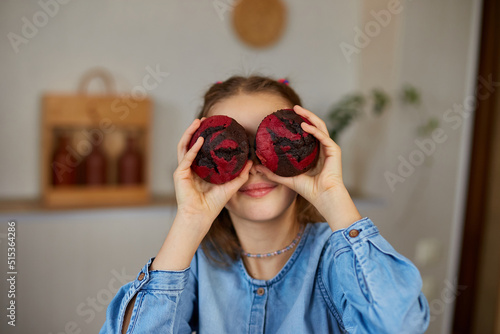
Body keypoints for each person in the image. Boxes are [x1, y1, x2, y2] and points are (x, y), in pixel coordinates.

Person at [100, 76, 430, 334]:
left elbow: (400, 326)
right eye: (236, 146)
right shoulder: (194, 265)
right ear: (198, 159)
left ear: (309, 150)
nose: (256, 165)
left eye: (270, 140)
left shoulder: (334, 259)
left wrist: (332, 195)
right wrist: (190, 218)